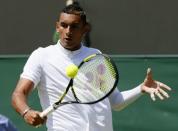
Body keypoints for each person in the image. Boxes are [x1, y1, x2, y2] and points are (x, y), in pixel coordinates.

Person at [11, 4, 171, 131]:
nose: (68, 32)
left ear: (85, 29)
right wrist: (26, 112)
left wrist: (141, 89)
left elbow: (116, 102)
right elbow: (19, 93)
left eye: (74, 26)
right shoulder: (42, 56)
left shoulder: (96, 57)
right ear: (57, 26)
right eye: (64, 25)